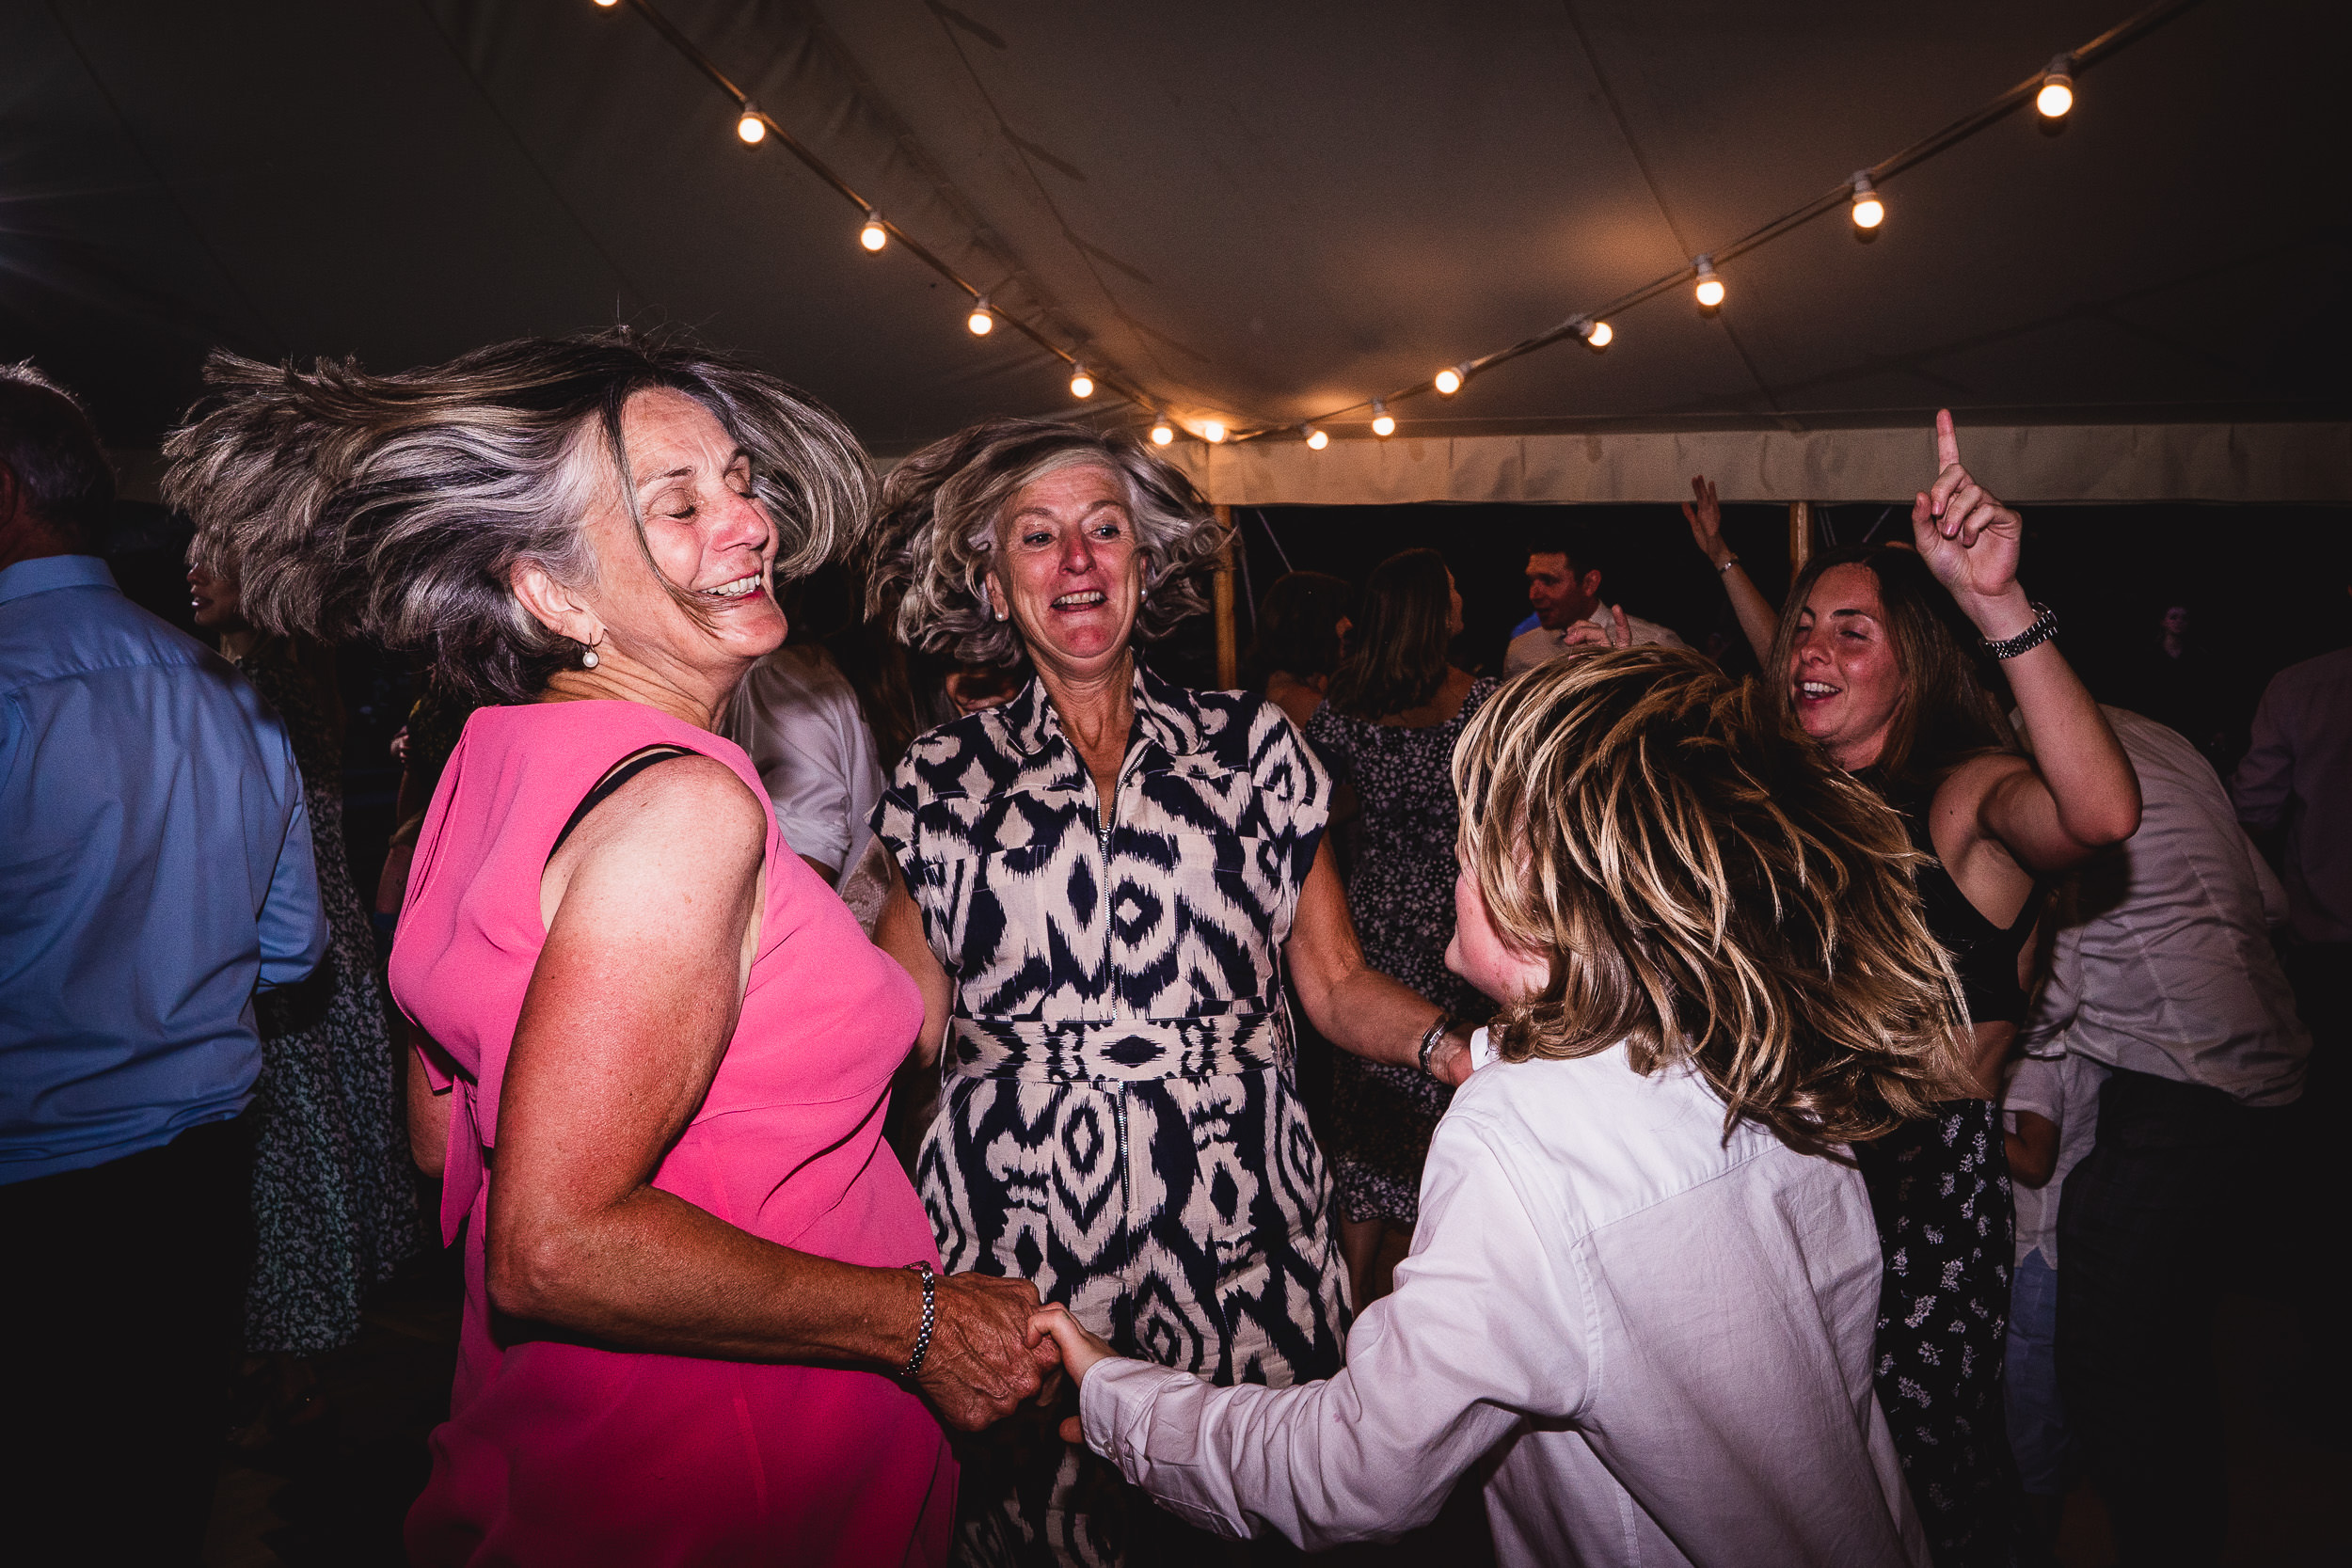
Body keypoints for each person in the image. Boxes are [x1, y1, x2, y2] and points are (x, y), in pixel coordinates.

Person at [162, 331, 1059, 1566]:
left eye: (740, 480)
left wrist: (922, 886)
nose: (746, 521)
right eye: (677, 505)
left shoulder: (483, 763)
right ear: (556, 594)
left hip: (566, 1430)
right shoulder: (686, 810)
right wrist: (915, 1320)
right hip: (732, 1463)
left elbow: (446, 1133)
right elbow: (555, 1241)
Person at [1032, 646, 1976, 1566]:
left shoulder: (1521, 1135)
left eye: (1478, 819)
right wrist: (1472, 1056)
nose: (1455, 839)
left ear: (1534, 874)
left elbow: (1354, 1467)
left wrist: (1124, 1401)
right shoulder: (1755, 1043)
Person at [866, 417, 1477, 1566]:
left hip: (1238, 1215)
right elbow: (897, 1026)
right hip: (1017, 1234)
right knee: (1035, 1521)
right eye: (1038, 538)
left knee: (1248, 1507)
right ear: (995, 586)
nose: (1078, 561)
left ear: (1147, 567)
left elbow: (1337, 986)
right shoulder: (940, 779)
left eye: (1105, 530)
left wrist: (1464, 1050)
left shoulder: (1255, 750)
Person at [1762, 412, 2141, 1567]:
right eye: (1802, 629)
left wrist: (1996, 605)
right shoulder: (1793, 805)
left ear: (1913, 655)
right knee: (1815, 1484)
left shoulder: (1964, 794)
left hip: (1922, 1200)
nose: (1810, 650)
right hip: (1790, 1181)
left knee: (1934, 1473)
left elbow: (2101, 815)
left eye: (1851, 629)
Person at [0, 363, 327, 1561]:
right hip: (193, 1175)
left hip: (31, 1181)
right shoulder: (224, 693)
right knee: (150, 1494)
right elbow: (292, 946)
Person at [2034, 705, 2308, 1565]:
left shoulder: (2024, 759)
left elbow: (2052, 995)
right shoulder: (2162, 736)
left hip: (2184, 1094)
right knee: (2174, 1344)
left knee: (2117, 1370)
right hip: (2277, 1070)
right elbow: (2271, 897)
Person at [185, 555, 415, 1443]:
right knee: (312, 1162)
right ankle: (285, 1362)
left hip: (288, 949)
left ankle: (294, 1375)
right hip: (331, 936)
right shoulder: (285, 673)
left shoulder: (255, 685)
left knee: (286, 1170)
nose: (193, 566)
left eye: (219, 553)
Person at [1304, 548, 1497, 1308]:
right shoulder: (1482, 703)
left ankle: (1350, 1298)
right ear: (1429, 610)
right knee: (1443, 1099)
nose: (1461, 603)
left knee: (1364, 1095)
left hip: (1371, 918)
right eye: (1451, 591)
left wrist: (1372, 812)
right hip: (1458, 924)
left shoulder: (1344, 708)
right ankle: (1437, 1285)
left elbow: (1308, 811)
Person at [1502, 518, 1684, 675]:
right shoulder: (1522, 651)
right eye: (1531, 582)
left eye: (1548, 581)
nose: (1534, 595)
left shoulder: (1656, 645)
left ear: (1589, 583)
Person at [1242, 569, 1352, 728]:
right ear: (1314, 623)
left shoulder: (1281, 685)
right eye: (1339, 614)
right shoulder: (1303, 702)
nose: (1348, 623)